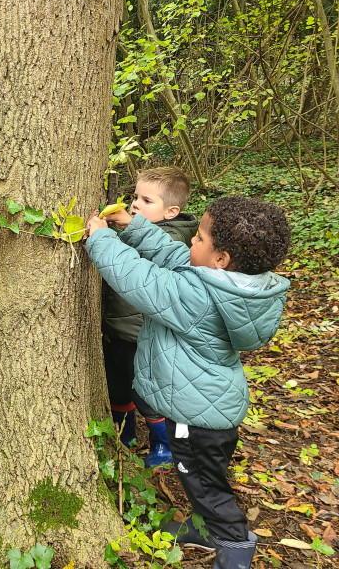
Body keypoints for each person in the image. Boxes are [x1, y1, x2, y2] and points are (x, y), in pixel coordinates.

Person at [85, 196, 291, 568]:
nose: (190, 243)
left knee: (205, 486)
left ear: (221, 258)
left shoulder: (197, 296)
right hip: (209, 411)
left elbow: (139, 278)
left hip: (196, 421)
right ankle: (206, 528)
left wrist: (101, 239)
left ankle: (234, 548)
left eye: (198, 238)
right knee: (202, 481)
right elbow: (175, 257)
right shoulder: (232, 286)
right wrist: (132, 226)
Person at [102, 167, 197, 472]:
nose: (135, 204)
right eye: (134, 197)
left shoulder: (173, 239)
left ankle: (164, 443)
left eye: (146, 200)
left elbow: (133, 261)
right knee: (116, 384)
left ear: (171, 211)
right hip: (117, 327)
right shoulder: (138, 230)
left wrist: (106, 237)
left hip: (142, 334)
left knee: (145, 392)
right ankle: (124, 431)